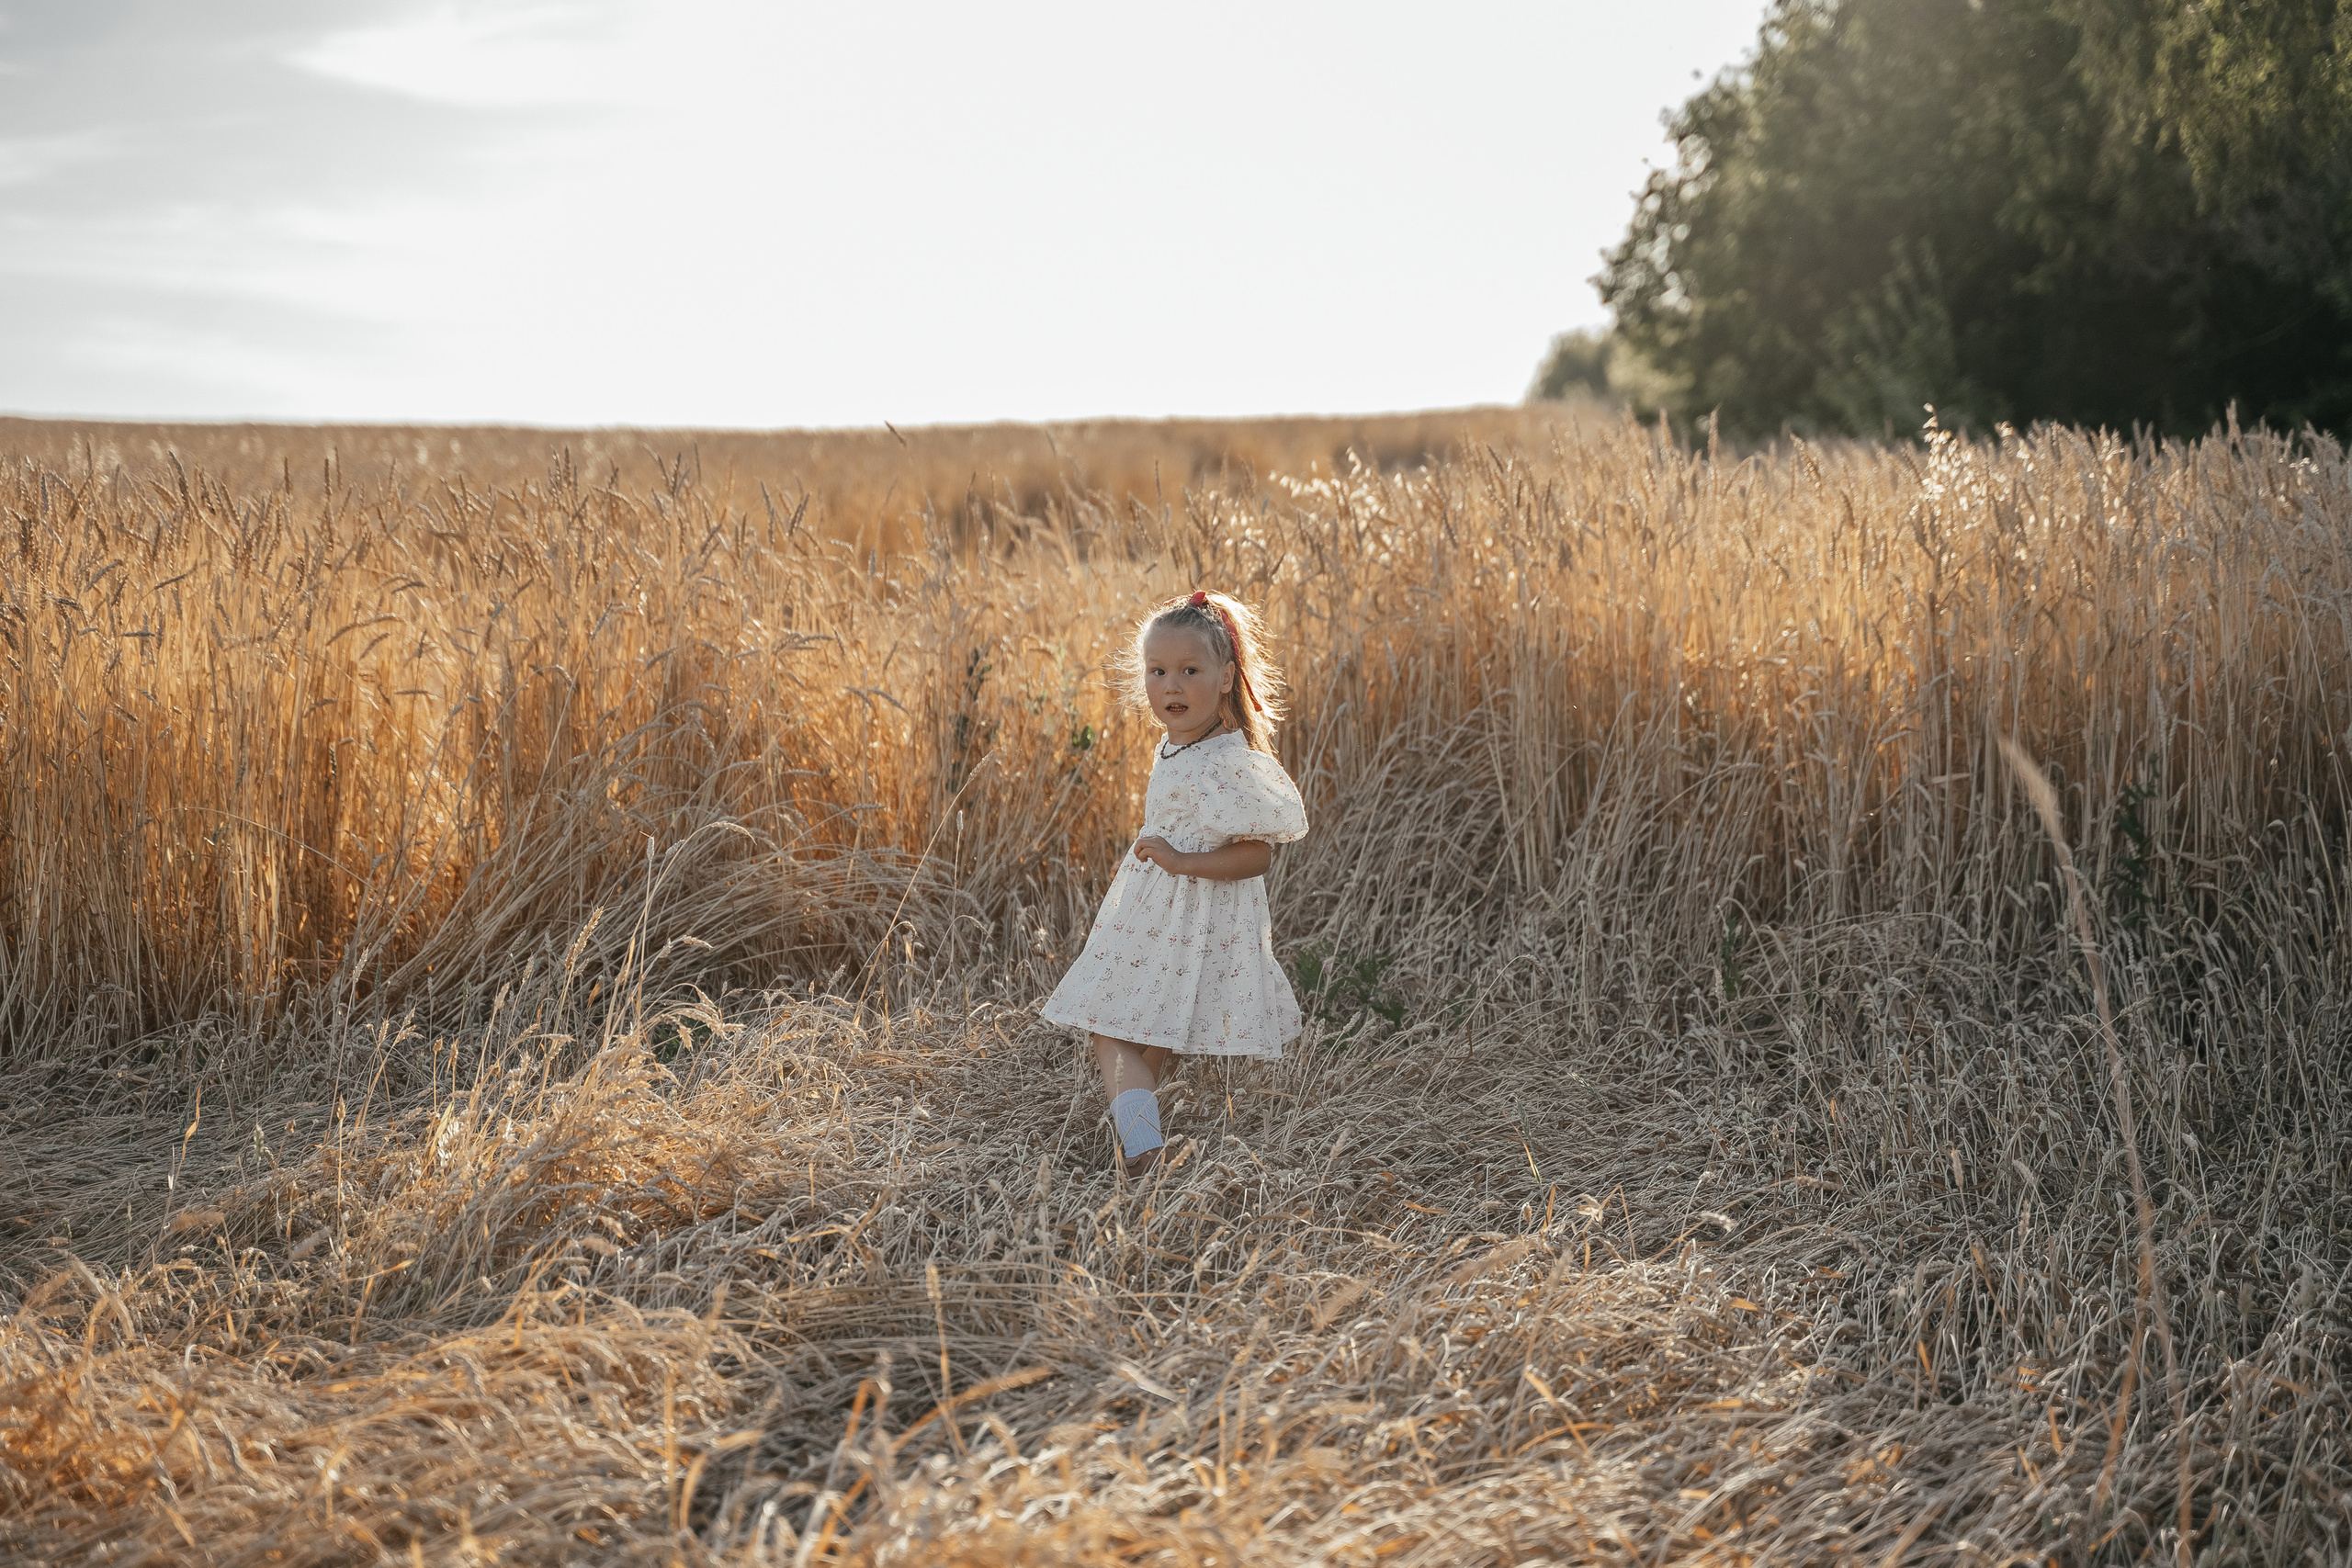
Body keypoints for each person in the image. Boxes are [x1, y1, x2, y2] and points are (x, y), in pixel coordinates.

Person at [1040, 590, 1310, 1178]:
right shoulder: (1182, 745)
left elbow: (1258, 855)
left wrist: (1182, 863)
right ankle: (1141, 1136)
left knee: (1108, 1027)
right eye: (1158, 671)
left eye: (1190, 671)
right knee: (1144, 1028)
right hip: (1159, 906)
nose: (1172, 686)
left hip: (1186, 909)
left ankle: (1143, 1153)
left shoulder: (1221, 760)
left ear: (1225, 678)